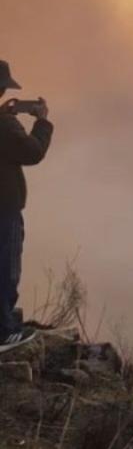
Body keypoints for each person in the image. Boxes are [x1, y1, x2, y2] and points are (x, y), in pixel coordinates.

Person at [0, 60, 53, 352]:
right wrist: (42, 122)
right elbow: (32, 152)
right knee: (4, 267)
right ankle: (4, 332)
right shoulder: (4, 125)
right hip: (3, 207)